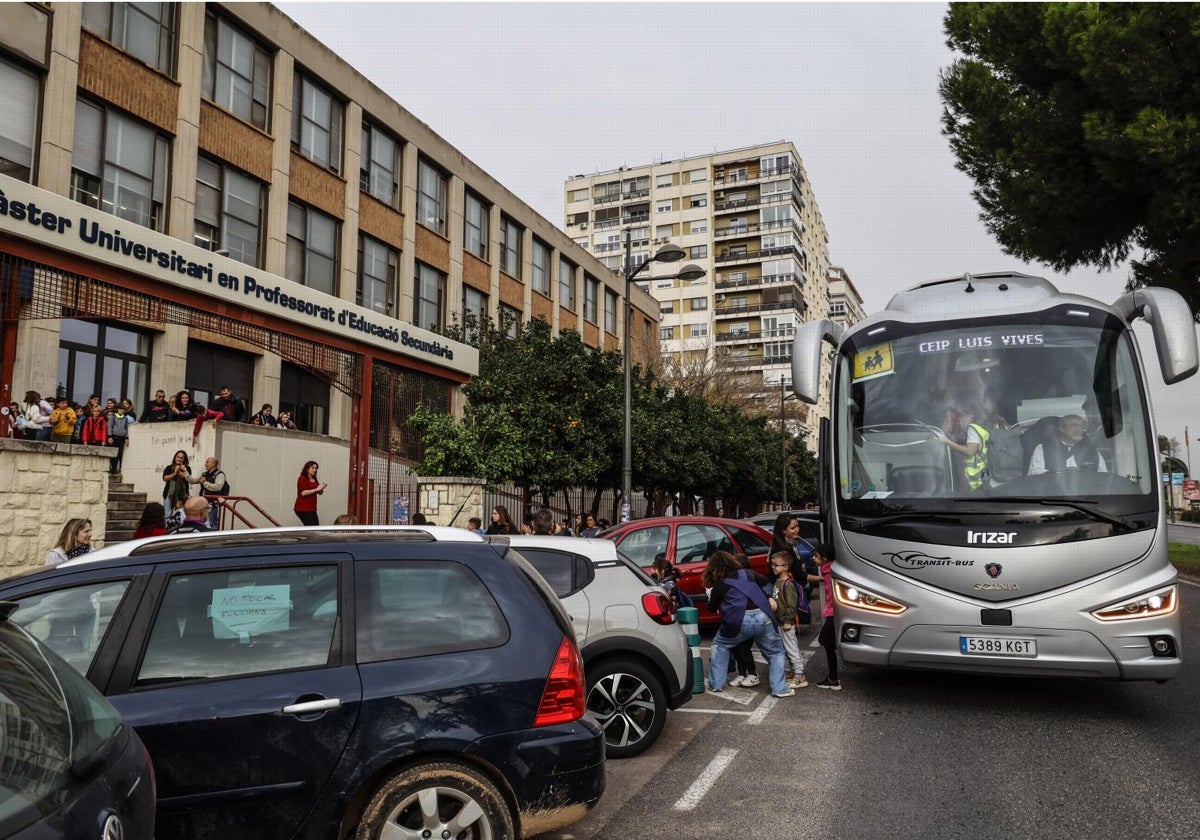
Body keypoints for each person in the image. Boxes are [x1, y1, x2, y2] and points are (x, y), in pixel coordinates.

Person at [703, 549, 792, 698]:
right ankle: (780, 688)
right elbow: (766, 583)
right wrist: (769, 597)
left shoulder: (720, 585)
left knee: (720, 645)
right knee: (775, 652)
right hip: (763, 616)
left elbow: (711, 609)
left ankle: (716, 684)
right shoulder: (748, 574)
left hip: (738, 622)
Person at [771, 550, 810, 689]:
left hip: (787, 623)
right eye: (773, 565)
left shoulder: (788, 584)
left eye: (776, 565)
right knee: (784, 649)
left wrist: (788, 620)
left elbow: (792, 604)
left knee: (791, 649)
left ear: (786, 567)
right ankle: (790, 673)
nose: (774, 567)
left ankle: (800, 676)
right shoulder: (778, 581)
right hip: (780, 622)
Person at [932, 403, 990, 491]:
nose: (959, 420)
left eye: (962, 417)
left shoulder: (973, 428)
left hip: (976, 483)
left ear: (972, 416)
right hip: (989, 477)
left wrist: (947, 441)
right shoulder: (987, 426)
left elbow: (970, 451)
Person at [1027, 414, 1108, 475]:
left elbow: (1103, 476)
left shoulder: (1091, 450)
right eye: (1074, 425)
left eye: (1082, 427)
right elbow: (1034, 473)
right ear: (1062, 428)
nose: (1079, 429)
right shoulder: (1043, 448)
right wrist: (1062, 473)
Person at [812, 542, 842, 690]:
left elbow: (833, 596)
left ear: (824, 558)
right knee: (828, 643)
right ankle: (832, 677)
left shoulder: (830, 572)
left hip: (833, 613)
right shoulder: (827, 570)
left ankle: (833, 679)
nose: (813, 558)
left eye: (816, 556)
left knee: (825, 640)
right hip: (832, 612)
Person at [771, 512, 818, 597]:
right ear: (784, 530)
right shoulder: (781, 549)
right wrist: (821, 578)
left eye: (797, 526)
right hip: (789, 593)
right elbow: (797, 573)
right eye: (793, 528)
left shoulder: (792, 544)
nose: (797, 530)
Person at [188, 456, 229, 530]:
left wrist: (205, 482)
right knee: (203, 522)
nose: (205, 464)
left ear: (213, 464)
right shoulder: (204, 474)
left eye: (207, 462)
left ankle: (214, 539)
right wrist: (185, 473)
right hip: (204, 502)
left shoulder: (220, 475)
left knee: (212, 522)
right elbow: (193, 481)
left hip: (213, 503)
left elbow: (217, 487)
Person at [294, 460, 326, 526]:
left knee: (316, 527)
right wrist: (316, 489)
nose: (314, 470)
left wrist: (321, 488)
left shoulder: (314, 479)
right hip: (302, 508)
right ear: (307, 469)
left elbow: (320, 492)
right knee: (311, 527)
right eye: (313, 468)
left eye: (316, 468)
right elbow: (303, 493)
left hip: (312, 508)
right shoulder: (302, 478)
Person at [106, 398, 133, 475]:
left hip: (121, 438)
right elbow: (109, 426)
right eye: (120, 409)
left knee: (119, 454)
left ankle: (118, 468)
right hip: (114, 437)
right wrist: (109, 436)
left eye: (122, 409)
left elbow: (126, 428)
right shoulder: (113, 417)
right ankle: (112, 469)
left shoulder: (125, 418)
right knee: (114, 454)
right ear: (117, 409)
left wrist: (126, 438)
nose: (121, 410)